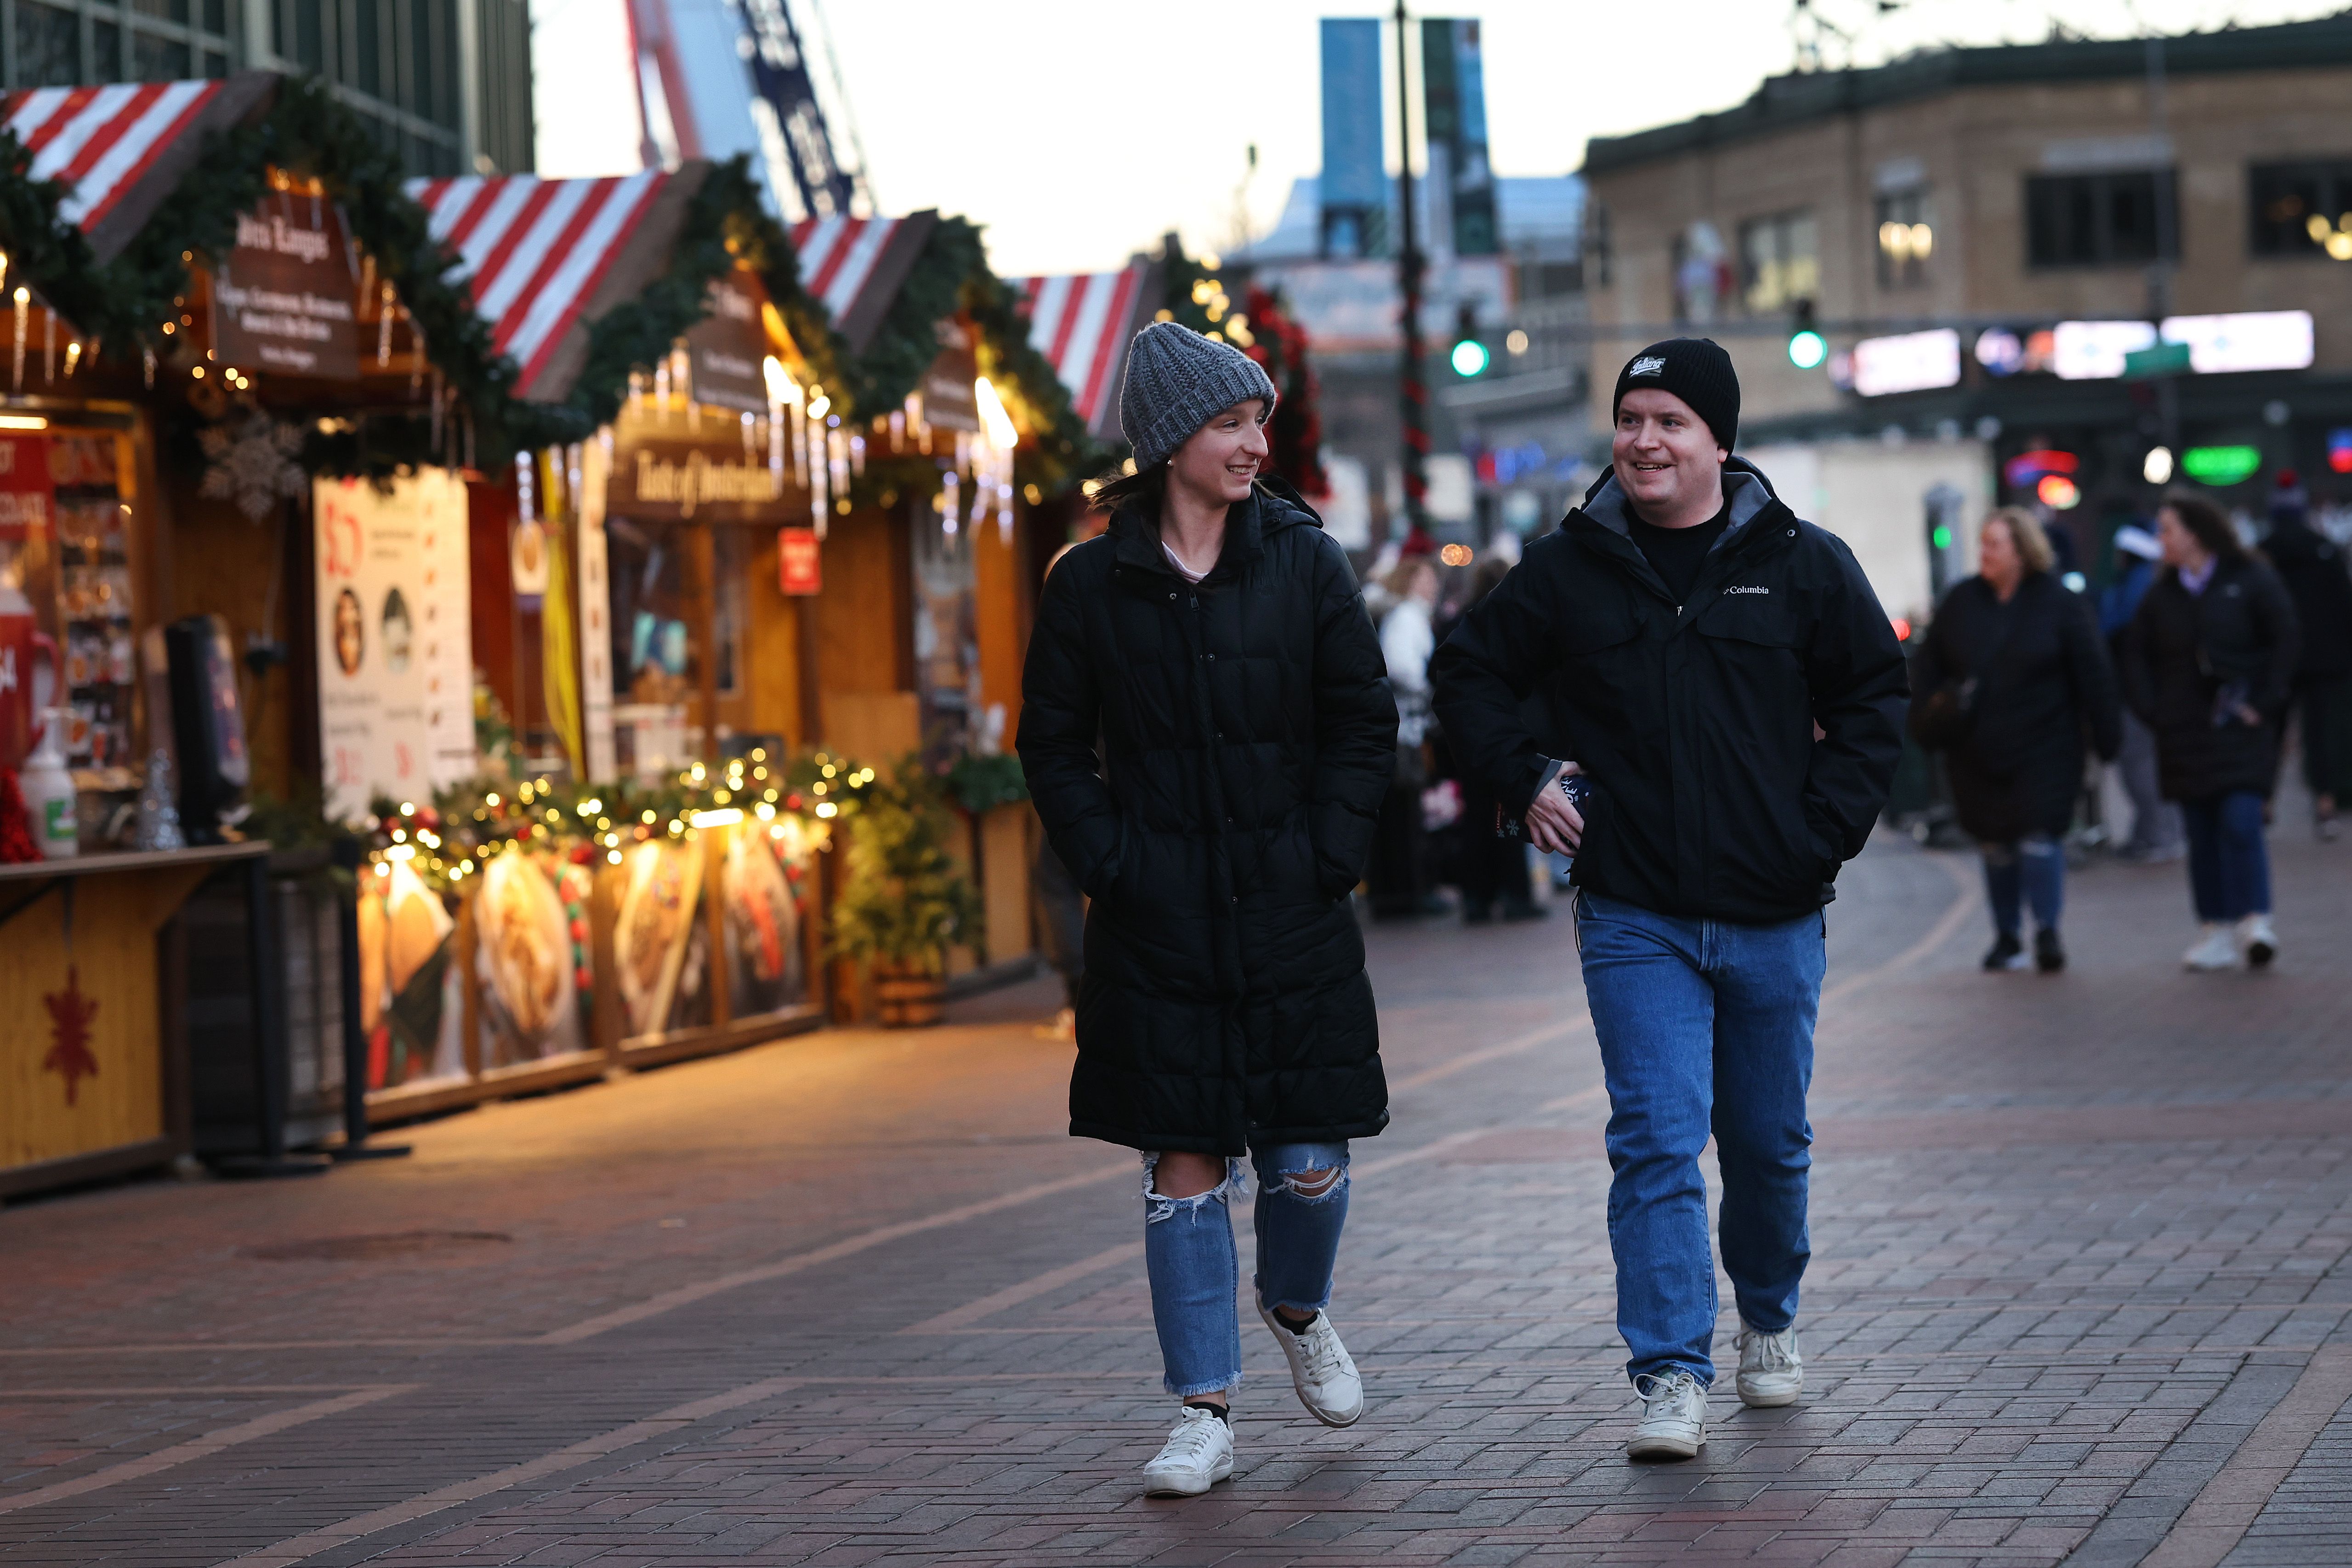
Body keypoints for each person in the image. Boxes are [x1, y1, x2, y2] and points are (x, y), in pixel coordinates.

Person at [1433, 338, 1907, 1460]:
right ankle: (1670, 1374)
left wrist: (1820, 837)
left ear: (1718, 441)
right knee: (1653, 1138)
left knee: (1766, 1141)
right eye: (1631, 417)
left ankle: (1770, 1318)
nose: (1645, 439)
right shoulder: (1567, 565)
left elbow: (1875, 698)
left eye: (1670, 421)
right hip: (1634, 908)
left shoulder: (1801, 562)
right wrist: (1524, 776)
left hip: (1774, 906)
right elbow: (1468, 674)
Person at [1017, 321, 1398, 1498]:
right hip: (1158, 919)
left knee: (1308, 1160)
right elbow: (1052, 746)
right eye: (1233, 423)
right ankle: (1202, 1411)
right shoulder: (1089, 582)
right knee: (1181, 1162)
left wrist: (1327, 853)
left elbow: (1361, 722)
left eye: (1258, 421)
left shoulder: (1304, 559)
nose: (1255, 444)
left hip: (1291, 907)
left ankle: (1295, 1304)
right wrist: (1113, 863)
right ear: (1173, 437)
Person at [1909, 507, 2119, 973]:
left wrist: (2107, 737)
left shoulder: (2060, 603)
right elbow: (1928, 668)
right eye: (1983, 543)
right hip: (1977, 750)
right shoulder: (1962, 601)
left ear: (2022, 552)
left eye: (1994, 544)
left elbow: (2093, 673)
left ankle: (2046, 930)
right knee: (1995, 845)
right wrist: (1926, 715)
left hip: (2047, 747)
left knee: (2039, 838)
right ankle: (2006, 935)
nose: (1984, 552)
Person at [2121, 491, 2300, 971]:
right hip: (2184, 731)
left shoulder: (2250, 578)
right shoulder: (2161, 596)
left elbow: (2285, 638)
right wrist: (2152, 710)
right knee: (2200, 832)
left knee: (2241, 819)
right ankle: (2215, 927)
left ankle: (2255, 920)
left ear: (2194, 533)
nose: (2161, 541)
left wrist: (2262, 702)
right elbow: (2134, 654)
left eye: (2167, 530)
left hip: (2238, 724)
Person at [2260, 479, 2352, 840]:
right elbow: (2344, 606)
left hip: (2278, 660)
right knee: (2319, 734)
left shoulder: (2264, 553)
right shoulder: (2323, 550)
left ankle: (2264, 802)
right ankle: (2325, 804)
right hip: (2322, 659)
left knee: (2273, 732)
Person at [2098, 525, 2183, 861]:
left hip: (2135, 697)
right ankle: (2152, 832)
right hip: (2141, 695)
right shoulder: (2148, 588)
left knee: (2139, 767)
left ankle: (2159, 834)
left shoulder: (2135, 593)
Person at [1369, 553, 1443, 918]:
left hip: (1406, 727)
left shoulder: (1408, 616)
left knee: (1406, 814)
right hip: (1405, 730)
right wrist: (1428, 691)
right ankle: (1407, 892)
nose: (1434, 587)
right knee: (1405, 815)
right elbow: (1400, 666)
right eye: (1427, 579)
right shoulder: (1408, 617)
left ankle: (1405, 891)